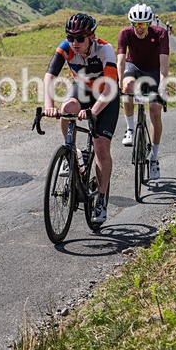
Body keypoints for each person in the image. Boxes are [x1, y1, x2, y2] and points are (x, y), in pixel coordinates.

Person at [43, 13, 119, 223]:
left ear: (91, 37)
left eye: (80, 38)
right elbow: (50, 76)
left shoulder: (105, 50)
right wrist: (49, 106)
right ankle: (72, 153)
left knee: (101, 146)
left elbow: (110, 88)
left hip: (106, 95)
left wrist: (93, 111)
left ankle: (101, 199)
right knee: (67, 108)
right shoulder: (66, 47)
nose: (74, 43)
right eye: (70, 37)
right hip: (83, 90)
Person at [117, 3, 169, 181]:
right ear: (132, 24)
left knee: (155, 110)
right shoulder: (125, 34)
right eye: (136, 25)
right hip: (134, 67)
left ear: (150, 23)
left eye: (143, 24)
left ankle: (154, 158)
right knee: (127, 86)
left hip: (154, 71)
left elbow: (164, 66)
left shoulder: (161, 34)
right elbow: (121, 61)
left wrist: (162, 86)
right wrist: (119, 82)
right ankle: (130, 129)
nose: (139, 28)